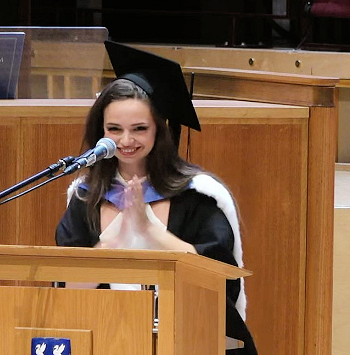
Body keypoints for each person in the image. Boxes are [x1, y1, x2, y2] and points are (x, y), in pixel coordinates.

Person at [55, 41, 257, 355]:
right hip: (109, 341)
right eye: (114, 129)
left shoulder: (200, 196)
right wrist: (110, 246)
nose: (125, 140)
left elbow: (220, 283)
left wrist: (151, 233)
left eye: (139, 128)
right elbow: (69, 294)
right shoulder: (85, 197)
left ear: (159, 130)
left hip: (192, 342)